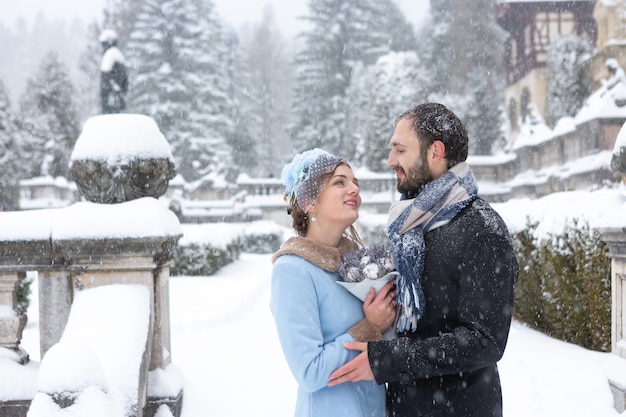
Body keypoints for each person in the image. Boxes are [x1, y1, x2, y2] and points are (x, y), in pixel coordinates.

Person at [328, 103, 519, 417]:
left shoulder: (483, 230)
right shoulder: (412, 226)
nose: (391, 161)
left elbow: (484, 342)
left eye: (400, 150)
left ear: (436, 152)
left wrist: (387, 359)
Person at [271, 148, 397, 417]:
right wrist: (370, 327)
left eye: (355, 183)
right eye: (340, 182)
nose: (354, 189)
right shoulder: (292, 270)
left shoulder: (356, 264)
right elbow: (309, 371)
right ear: (310, 202)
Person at [99, 29, 128, 114]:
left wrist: (110, 95)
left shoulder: (110, 55)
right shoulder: (119, 55)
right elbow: (125, 82)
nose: (102, 46)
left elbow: (106, 77)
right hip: (116, 99)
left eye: (103, 44)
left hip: (110, 101)